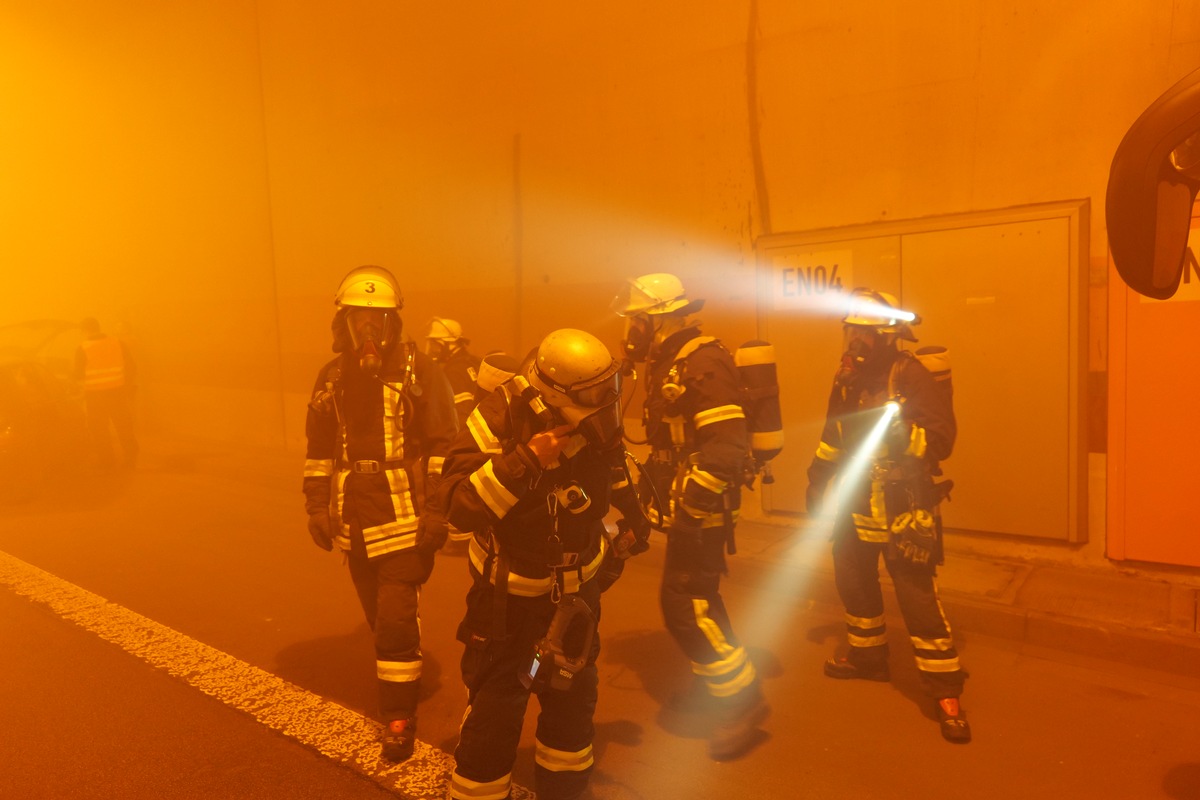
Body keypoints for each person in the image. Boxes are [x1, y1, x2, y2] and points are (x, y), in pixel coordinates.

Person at [439, 328, 649, 800]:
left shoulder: (597, 420)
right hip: (507, 605)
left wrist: (633, 516)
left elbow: (613, 467)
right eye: (594, 394)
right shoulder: (499, 416)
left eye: (609, 390)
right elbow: (456, 505)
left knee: (572, 708)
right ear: (553, 393)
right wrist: (527, 460)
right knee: (496, 712)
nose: (605, 403)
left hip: (578, 600)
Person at [302, 265, 458, 762]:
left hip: (403, 512)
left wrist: (438, 511)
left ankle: (398, 715)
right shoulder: (331, 377)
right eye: (359, 320)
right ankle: (399, 659)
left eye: (379, 321)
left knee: (393, 618)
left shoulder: (421, 372)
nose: (369, 332)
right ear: (343, 323)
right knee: (378, 617)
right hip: (354, 516)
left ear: (393, 323)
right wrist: (316, 505)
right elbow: (319, 447)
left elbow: (441, 446)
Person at [610, 273, 769, 761]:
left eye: (637, 320)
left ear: (659, 320)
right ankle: (717, 689)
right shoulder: (673, 362)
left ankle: (742, 700)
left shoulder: (701, 361)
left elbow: (726, 448)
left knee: (684, 603)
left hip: (704, 507)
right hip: (690, 506)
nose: (631, 331)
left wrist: (692, 507)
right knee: (697, 598)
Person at [805, 287, 970, 743]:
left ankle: (945, 690)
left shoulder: (911, 375)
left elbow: (942, 439)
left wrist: (905, 437)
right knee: (853, 577)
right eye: (850, 331)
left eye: (862, 334)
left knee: (916, 596)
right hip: (859, 498)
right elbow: (832, 432)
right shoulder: (847, 379)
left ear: (885, 337)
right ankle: (868, 658)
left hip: (903, 502)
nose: (853, 342)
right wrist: (818, 477)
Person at [74, 317, 138, 469]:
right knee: (123, 425)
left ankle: (107, 461)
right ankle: (131, 457)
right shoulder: (117, 343)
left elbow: (78, 375)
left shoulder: (83, 348)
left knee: (99, 429)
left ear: (84, 330)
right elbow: (131, 367)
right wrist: (125, 386)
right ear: (98, 327)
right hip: (117, 392)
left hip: (95, 395)